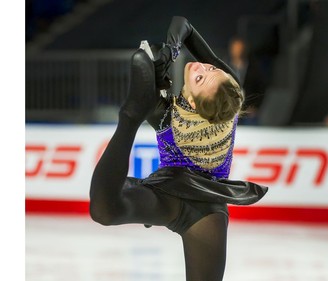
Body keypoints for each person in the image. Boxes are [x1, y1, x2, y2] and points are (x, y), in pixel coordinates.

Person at [89, 16, 268, 281]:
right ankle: (129, 118)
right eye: (210, 70)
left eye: (200, 77)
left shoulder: (167, 114)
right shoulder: (226, 89)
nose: (203, 67)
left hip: (206, 204)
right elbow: (183, 25)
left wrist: (138, 110)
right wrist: (171, 50)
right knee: (105, 211)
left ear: (193, 104)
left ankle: (129, 116)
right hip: (169, 192)